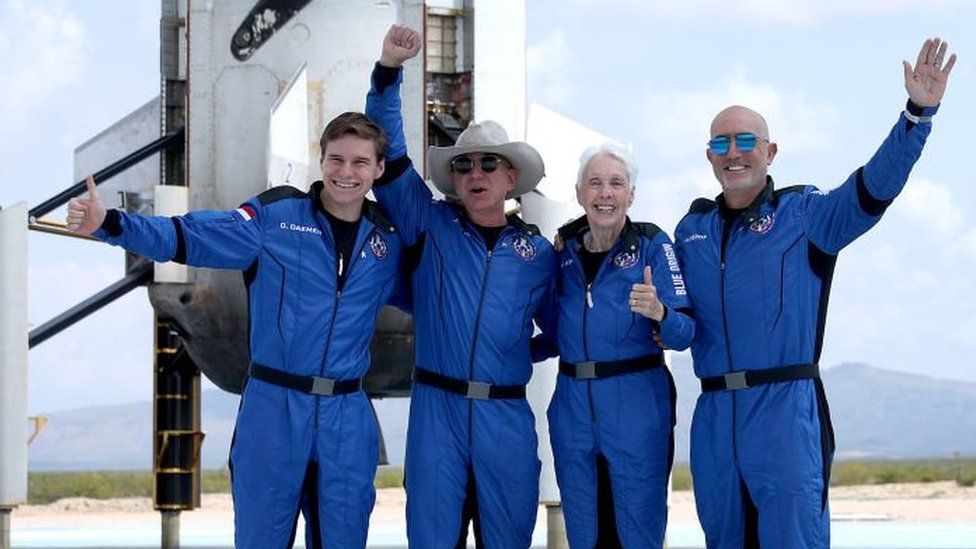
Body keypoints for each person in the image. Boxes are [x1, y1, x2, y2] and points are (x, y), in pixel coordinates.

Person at [66, 112, 405, 548]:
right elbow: (191, 236)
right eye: (336, 159)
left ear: (378, 170)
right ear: (321, 162)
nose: (345, 172)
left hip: (347, 416)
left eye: (359, 163)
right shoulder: (276, 217)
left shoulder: (389, 241)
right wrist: (113, 225)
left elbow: (446, 295)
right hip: (273, 409)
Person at [673, 38, 957, 548]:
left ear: (770, 151)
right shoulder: (689, 231)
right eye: (720, 144)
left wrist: (917, 115)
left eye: (744, 141)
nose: (732, 153)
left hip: (785, 414)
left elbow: (873, 188)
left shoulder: (807, 215)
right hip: (713, 418)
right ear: (708, 155)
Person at [364, 25, 557, 548]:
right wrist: (387, 71)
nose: (476, 172)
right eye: (465, 164)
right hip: (436, 415)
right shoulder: (428, 225)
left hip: (506, 416)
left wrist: (515, 352)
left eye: (489, 163)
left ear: (510, 177)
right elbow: (391, 159)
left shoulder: (538, 254)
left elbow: (565, 330)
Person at [537, 143, 695, 547]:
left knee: (637, 532)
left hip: (637, 408)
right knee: (585, 533)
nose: (605, 193)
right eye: (595, 183)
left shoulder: (652, 244)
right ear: (579, 194)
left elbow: (685, 332)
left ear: (631, 195)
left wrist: (660, 312)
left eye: (615, 183)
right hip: (572, 409)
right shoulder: (562, 254)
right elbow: (556, 333)